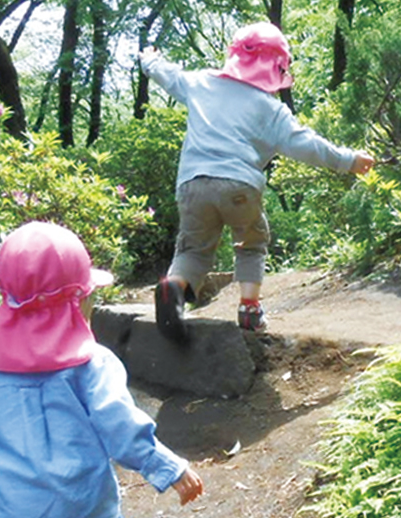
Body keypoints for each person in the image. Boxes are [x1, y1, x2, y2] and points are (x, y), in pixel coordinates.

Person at [0, 221, 204, 518]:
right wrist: (166, 466)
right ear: (76, 303)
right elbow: (121, 427)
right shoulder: (91, 366)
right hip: (83, 516)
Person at [139, 21, 375, 341]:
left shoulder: (201, 82)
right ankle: (249, 309)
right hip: (239, 187)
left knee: (193, 248)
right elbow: (307, 144)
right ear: (276, 69)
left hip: (192, 185)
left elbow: (167, 74)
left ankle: (173, 286)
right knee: (251, 242)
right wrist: (349, 161)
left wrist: (150, 59)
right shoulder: (271, 109)